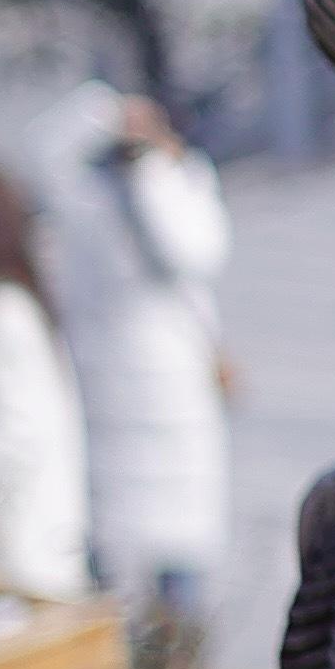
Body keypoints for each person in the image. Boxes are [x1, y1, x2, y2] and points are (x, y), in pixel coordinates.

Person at [34, 86, 232, 622]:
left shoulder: (174, 183)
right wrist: (109, 113)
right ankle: (127, 668)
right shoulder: (87, 191)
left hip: (172, 389)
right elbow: (49, 148)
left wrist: (153, 169)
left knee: (175, 551)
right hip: (108, 385)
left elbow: (191, 250)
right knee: (111, 547)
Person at [0, 163, 90, 602]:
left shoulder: (1, 312)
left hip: (22, 568)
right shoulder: (13, 301)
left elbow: (9, 443)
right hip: (31, 561)